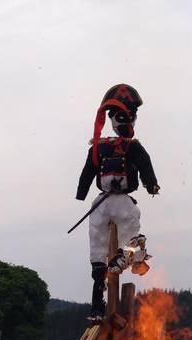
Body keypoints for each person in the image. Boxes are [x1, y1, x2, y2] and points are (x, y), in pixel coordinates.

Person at [76, 83, 160, 322]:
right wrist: (82, 191)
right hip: (102, 202)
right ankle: (97, 303)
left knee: (130, 227)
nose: (126, 122)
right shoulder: (99, 147)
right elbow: (88, 171)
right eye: (121, 117)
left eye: (129, 117)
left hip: (123, 200)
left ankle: (127, 255)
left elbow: (145, 164)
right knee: (97, 245)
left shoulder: (133, 147)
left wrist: (151, 184)